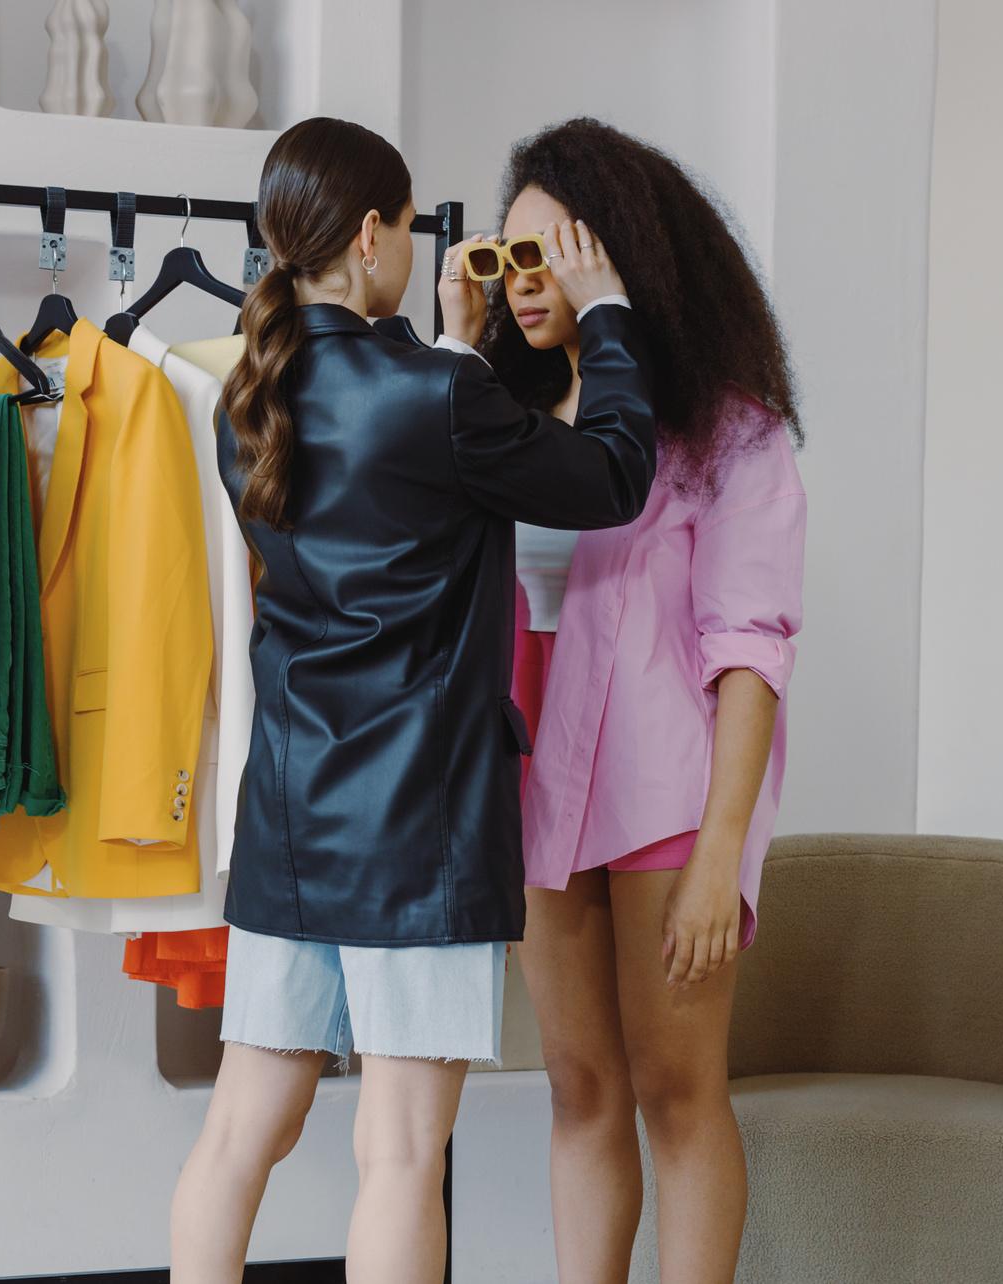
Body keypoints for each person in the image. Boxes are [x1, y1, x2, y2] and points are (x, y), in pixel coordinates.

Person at [168, 115, 658, 1284]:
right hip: (421, 824)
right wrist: (606, 316)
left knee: (239, 1134)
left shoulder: (250, 394)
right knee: (397, 1151)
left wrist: (453, 350)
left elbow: (383, 487)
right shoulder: (435, 395)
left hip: (292, 812)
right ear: (373, 235)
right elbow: (613, 476)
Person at [467, 118, 807, 1284]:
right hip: (538, 793)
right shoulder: (502, 424)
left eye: (544, 254)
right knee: (578, 1085)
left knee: (675, 1087)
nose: (522, 284)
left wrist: (722, 855)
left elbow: (750, 654)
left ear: (616, 257)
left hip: (666, 796)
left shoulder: (731, 435)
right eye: (504, 258)